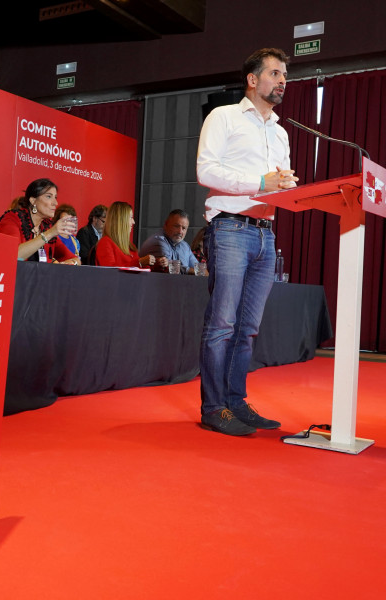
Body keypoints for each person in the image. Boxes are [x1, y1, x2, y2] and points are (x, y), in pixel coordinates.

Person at [196, 47, 298, 436]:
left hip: (265, 234)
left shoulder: (281, 132)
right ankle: (213, 407)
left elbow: (277, 182)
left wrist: (287, 190)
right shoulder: (223, 117)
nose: (282, 80)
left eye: (285, 74)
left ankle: (236, 401)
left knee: (248, 328)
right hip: (231, 229)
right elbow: (206, 170)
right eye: (274, 73)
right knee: (222, 323)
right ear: (253, 80)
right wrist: (260, 184)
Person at [0, 178, 78, 264]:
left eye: (55, 197)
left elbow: (75, 258)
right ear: (33, 200)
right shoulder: (13, 218)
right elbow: (13, 255)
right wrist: (49, 233)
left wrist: (71, 263)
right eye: (49, 196)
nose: (55, 203)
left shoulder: (46, 226)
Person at [93, 201, 156, 268]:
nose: (133, 222)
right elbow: (110, 272)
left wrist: (158, 264)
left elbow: (142, 269)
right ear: (121, 221)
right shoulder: (105, 243)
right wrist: (139, 263)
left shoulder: (130, 246)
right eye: (131, 217)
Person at [139, 209, 199, 274]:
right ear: (166, 225)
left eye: (184, 228)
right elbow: (171, 270)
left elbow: (200, 269)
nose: (180, 231)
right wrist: (195, 271)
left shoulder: (185, 245)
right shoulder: (158, 241)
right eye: (176, 226)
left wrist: (199, 271)